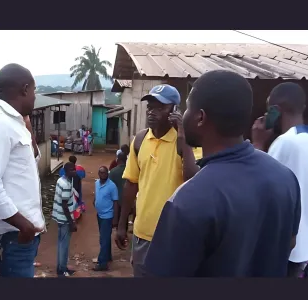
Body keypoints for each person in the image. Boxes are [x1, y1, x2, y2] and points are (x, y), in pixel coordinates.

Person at [142, 70, 301, 277]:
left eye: (188, 107)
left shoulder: (188, 199)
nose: (184, 114)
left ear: (200, 117)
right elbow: (290, 242)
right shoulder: (286, 178)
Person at [115, 84, 202, 276]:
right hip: (142, 234)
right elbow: (131, 184)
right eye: (150, 107)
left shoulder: (188, 143)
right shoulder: (139, 140)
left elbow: (193, 179)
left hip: (175, 237)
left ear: (174, 111)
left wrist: (182, 135)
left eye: (160, 108)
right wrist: (122, 225)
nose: (152, 112)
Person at [0, 63, 45, 278]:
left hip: (19, 238)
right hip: (10, 239)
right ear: (24, 89)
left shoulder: (14, 124)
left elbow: (30, 161)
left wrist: (28, 128)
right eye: (34, 91)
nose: (34, 97)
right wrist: (25, 227)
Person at [252, 82, 308, 278]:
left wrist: (258, 143)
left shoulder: (284, 142)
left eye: (268, 111)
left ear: (276, 111)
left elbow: (257, 186)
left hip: (290, 252)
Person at [52, 162, 78, 277]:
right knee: (64, 245)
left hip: (58, 216)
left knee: (60, 243)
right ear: (66, 171)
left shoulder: (60, 180)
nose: (74, 171)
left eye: (74, 169)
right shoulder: (67, 185)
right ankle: (62, 270)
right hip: (64, 218)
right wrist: (71, 222)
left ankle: (60, 267)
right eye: (72, 170)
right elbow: (65, 205)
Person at [93, 166, 119, 271]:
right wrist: (95, 201)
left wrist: (115, 219)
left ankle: (102, 263)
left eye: (104, 172)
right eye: (100, 172)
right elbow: (96, 195)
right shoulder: (96, 183)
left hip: (108, 216)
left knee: (103, 239)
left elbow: (116, 203)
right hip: (99, 215)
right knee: (105, 237)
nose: (102, 174)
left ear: (107, 173)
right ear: (98, 174)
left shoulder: (112, 186)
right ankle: (108, 256)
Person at [109, 152, 128, 232]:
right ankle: (124, 232)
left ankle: (118, 230)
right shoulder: (129, 170)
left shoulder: (113, 171)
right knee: (125, 217)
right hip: (128, 198)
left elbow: (109, 187)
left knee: (117, 215)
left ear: (118, 160)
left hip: (116, 200)